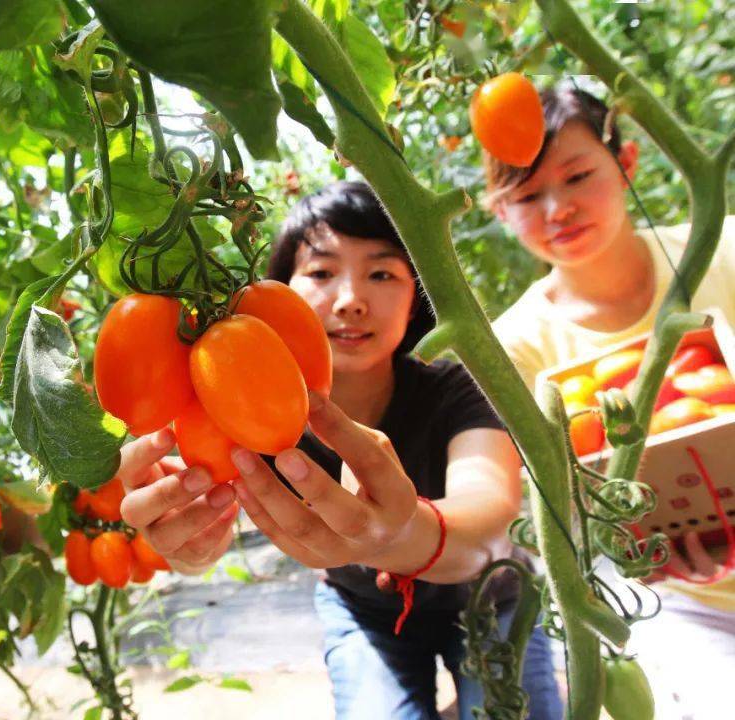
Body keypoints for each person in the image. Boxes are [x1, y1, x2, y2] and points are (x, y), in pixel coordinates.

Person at [117, 182, 563, 719]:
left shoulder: (458, 387)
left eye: (382, 273)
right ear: (278, 290)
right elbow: (210, 504)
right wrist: (193, 545)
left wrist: (398, 535)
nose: (351, 298)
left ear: (417, 293)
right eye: (323, 273)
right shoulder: (239, 409)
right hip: (367, 613)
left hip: (494, 601)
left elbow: (490, 522)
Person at [486, 85, 735, 720]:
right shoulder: (513, 349)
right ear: (498, 209)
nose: (558, 208)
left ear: (625, 164)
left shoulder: (723, 251)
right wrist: (635, 551)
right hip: (684, 605)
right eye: (527, 195)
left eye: (576, 176)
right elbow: (566, 514)